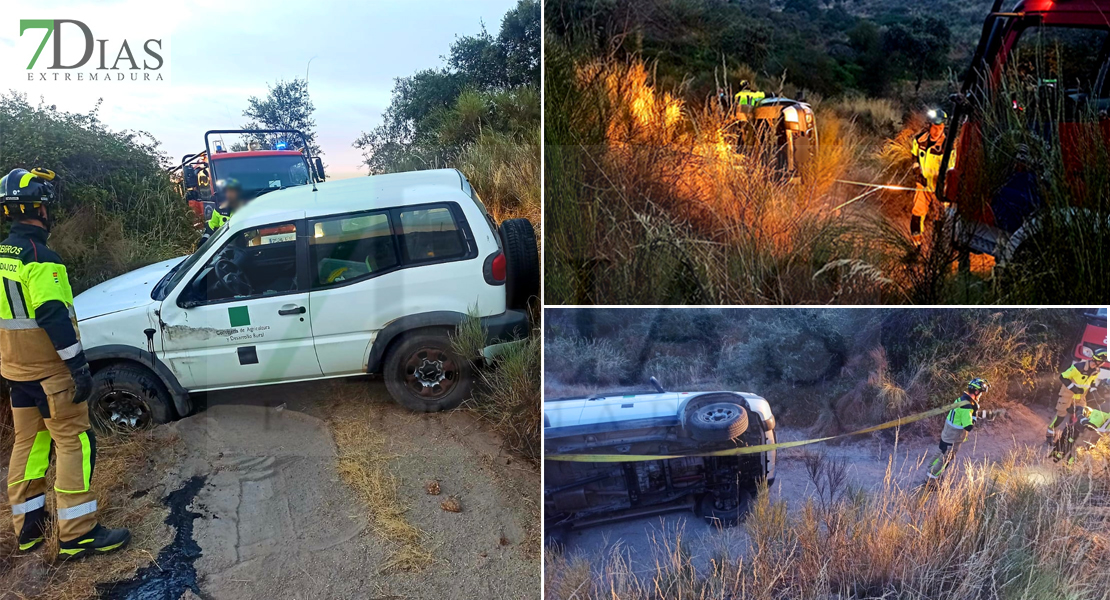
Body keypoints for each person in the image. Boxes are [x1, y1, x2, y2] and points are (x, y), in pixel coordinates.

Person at [0, 167, 130, 559]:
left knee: (29, 444)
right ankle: (77, 532)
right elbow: (53, 313)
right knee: (75, 443)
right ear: (38, 209)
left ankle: (28, 530)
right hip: (50, 373)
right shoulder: (40, 257)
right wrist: (77, 367)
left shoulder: (3, 253)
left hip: (15, 372)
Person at [927, 377, 989, 480]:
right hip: (953, 437)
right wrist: (974, 415)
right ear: (977, 391)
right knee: (945, 458)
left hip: (947, 433)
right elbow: (968, 426)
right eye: (981, 393)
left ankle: (930, 471)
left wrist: (976, 412)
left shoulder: (961, 399)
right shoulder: (967, 407)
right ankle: (931, 480)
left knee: (940, 453)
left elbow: (961, 416)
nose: (981, 395)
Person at [910, 109, 953, 244]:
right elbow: (914, 157)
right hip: (922, 186)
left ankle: (939, 248)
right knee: (917, 214)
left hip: (940, 189)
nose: (937, 131)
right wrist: (917, 172)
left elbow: (951, 170)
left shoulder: (948, 146)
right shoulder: (919, 140)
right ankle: (916, 244)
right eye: (935, 127)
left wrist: (943, 183)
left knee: (940, 218)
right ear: (929, 126)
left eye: (940, 128)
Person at [1047, 349, 1106, 443]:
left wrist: (1096, 395)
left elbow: (1092, 383)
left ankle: (1069, 438)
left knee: (1081, 417)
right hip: (1068, 395)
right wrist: (1073, 388)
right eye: (1102, 361)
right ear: (1097, 359)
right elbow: (1063, 376)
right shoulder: (1078, 367)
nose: (1103, 363)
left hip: (1081, 397)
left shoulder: (1096, 371)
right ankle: (1049, 434)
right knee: (1060, 416)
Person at [202, 177, 244, 241]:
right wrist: (204, 240)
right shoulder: (219, 210)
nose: (229, 194)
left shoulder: (244, 209)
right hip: (224, 245)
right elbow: (212, 226)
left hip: (240, 245)